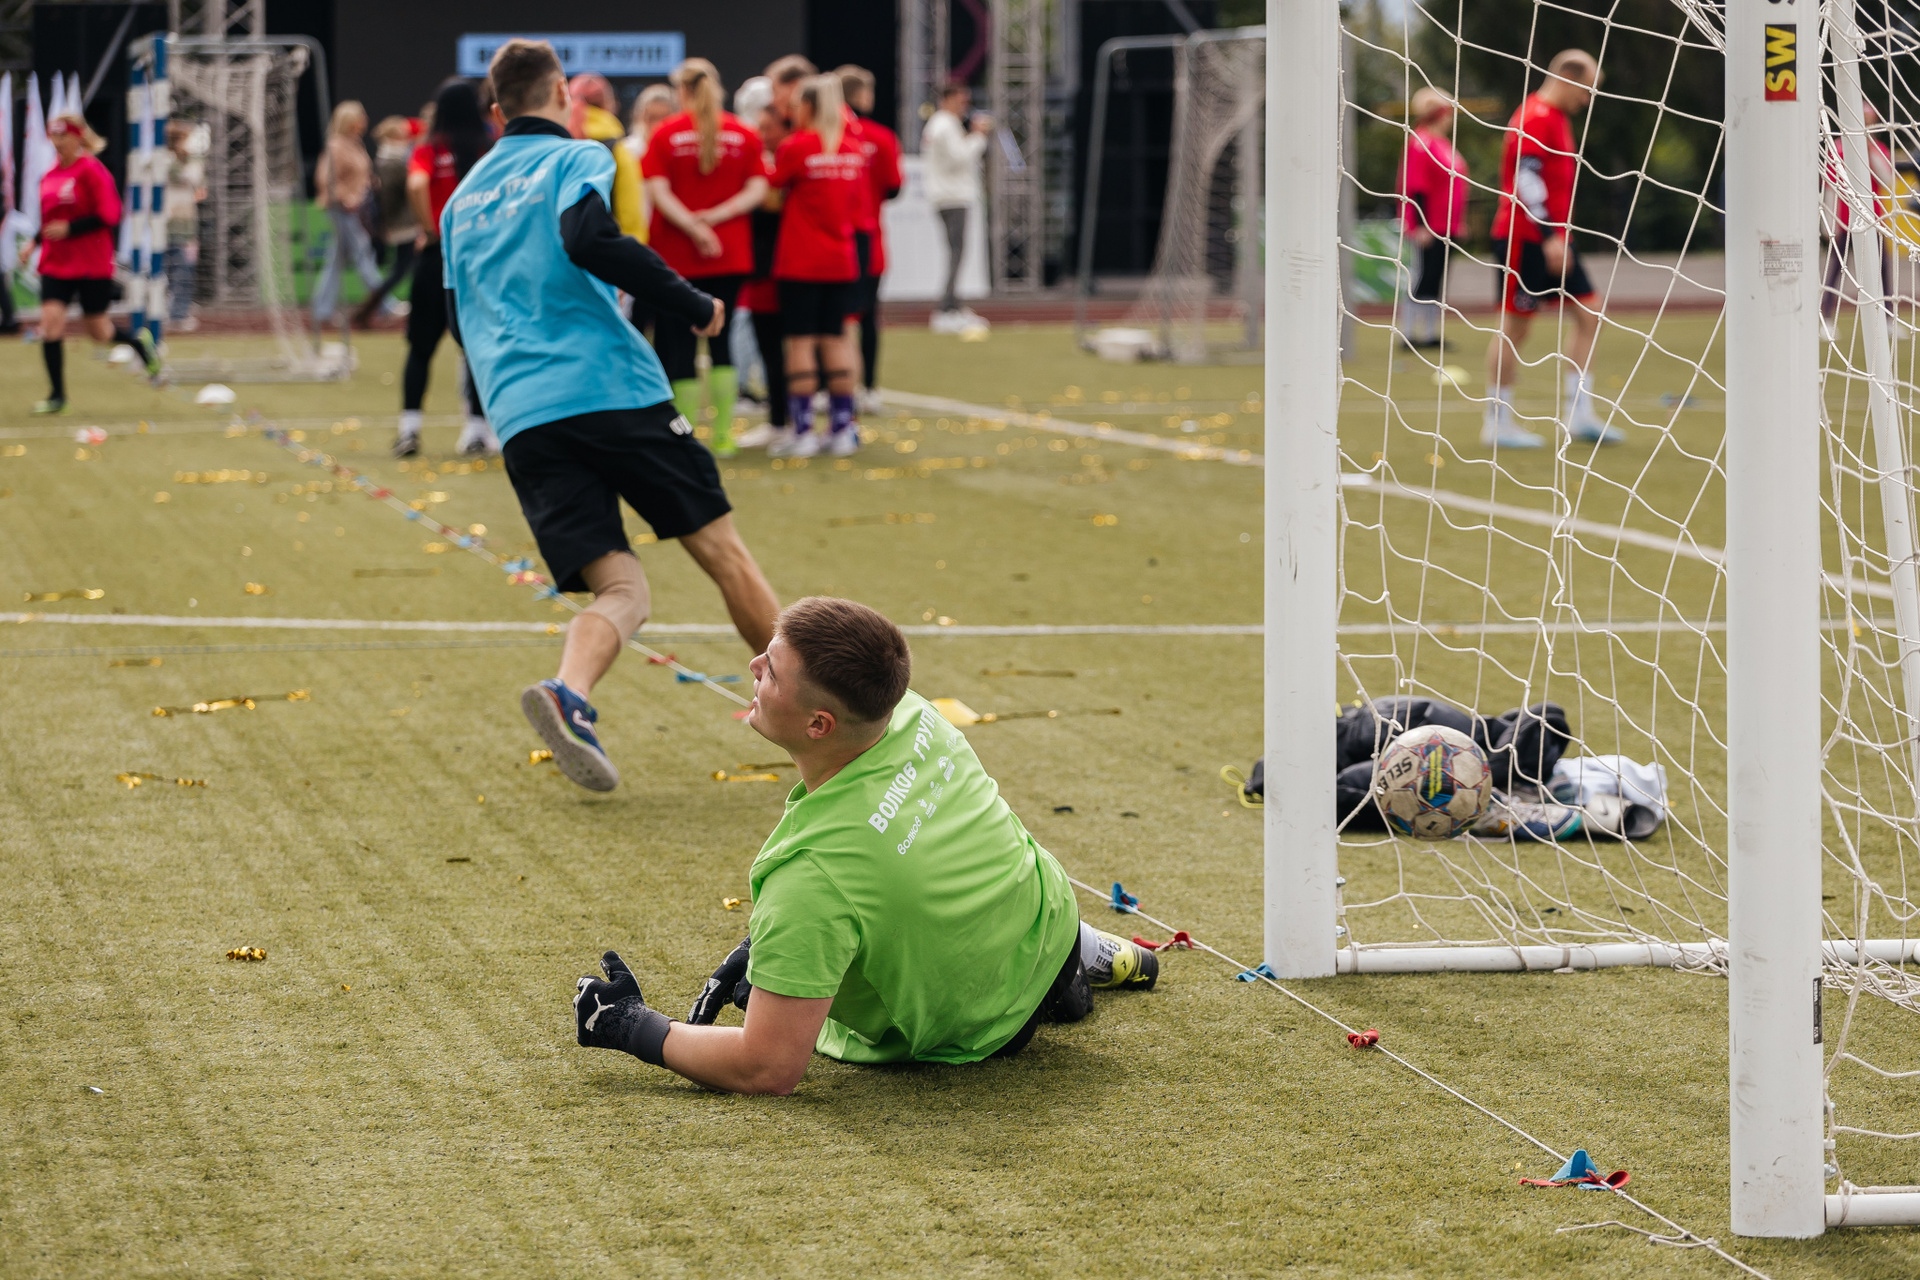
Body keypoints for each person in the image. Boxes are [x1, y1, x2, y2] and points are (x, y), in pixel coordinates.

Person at [571, 596, 1161, 1093]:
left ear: (819, 724)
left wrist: (633, 1026)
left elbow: (767, 1066)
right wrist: (773, 947)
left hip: (983, 1026)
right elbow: (901, 848)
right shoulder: (912, 714)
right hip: (1049, 916)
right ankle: (1082, 952)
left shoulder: (809, 876)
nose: (752, 666)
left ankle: (1056, 981)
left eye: (770, 671)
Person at [441, 38, 782, 792]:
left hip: (522, 415)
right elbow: (589, 237)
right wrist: (690, 303)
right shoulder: (575, 156)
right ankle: (823, 717)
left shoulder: (461, 201)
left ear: (496, 111)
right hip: (609, 390)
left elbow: (458, 320)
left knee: (623, 591)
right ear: (563, 93)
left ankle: (570, 693)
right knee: (723, 553)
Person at [1483, 50, 1616, 449]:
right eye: (1586, 90)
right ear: (1568, 77)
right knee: (1516, 327)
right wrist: (1549, 236)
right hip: (1526, 238)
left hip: (1556, 236)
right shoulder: (1536, 116)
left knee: (1590, 313)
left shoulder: (1556, 118)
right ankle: (1497, 422)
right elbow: (1526, 180)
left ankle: (1579, 414)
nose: (1586, 100)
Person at [642, 57, 770, 458]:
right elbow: (757, 190)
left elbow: (658, 191)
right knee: (722, 342)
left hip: (675, 254)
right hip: (728, 251)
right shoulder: (743, 134)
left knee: (677, 344)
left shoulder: (666, 134)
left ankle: (684, 439)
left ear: (682, 91)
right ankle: (723, 436)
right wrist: (714, 220)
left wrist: (693, 226)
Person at [21, 113, 161, 413]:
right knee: (50, 322)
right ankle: (57, 396)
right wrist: (34, 242)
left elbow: (110, 214)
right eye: (54, 136)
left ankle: (138, 344)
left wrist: (71, 229)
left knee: (98, 332)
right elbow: (50, 221)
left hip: (90, 263)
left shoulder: (92, 171)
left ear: (78, 137)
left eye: (63, 135)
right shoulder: (50, 174)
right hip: (56, 263)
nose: (57, 142)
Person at [394, 79, 496, 459]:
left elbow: (417, 184)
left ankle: (409, 429)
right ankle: (476, 431)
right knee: (476, 347)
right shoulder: (488, 148)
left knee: (420, 347)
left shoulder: (430, 148)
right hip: (478, 257)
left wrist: (430, 229)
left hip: (437, 257)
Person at [768, 74, 867, 460]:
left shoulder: (797, 146)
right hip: (841, 260)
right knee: (837, 340)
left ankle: (804, 431)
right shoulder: (853, 148)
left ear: (807, 107)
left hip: (800, 261)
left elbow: (772, 187)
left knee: (800, 343)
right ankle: (842, 430)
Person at [838, 65, 902, 413]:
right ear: (861, 94)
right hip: (869, 237)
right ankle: (869, 388)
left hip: (833, 239)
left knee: (832, 319)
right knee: (868, 316)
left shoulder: (825, 137)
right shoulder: (880, 137)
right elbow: (894, 187)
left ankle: (831, 387)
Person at [733, 79, 789, 451]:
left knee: (783, 346)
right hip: (769, 265)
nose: (762, 134)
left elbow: (770, 202)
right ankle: (787, 421)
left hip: (778, 267)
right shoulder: (774, 158)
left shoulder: (788, 159)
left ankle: (786, 422)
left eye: (768, 128)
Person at [1397, 87, 1467, 351]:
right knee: (1422, 277)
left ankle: (1429, 334)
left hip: (1447, 224)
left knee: (1436, 279)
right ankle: (1408, 333)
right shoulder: (1421, 141)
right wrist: (1421, 225)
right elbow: (1417, 187)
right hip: (1428, 225)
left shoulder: (1444, 144)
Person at [1821, 101, 1897, 339]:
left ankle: (1888, 320)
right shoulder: (1838, 149)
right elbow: (1830, 187)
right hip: (1845, 221)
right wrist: (1830, 221)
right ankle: (1825, 320)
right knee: (1835, 271)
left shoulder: (1878, 149)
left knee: (1882, 270)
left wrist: (1869, 148)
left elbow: (1887, 180)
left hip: (1873, 220)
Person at [311, 101, 387, 330]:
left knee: (336, 260)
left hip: (357, 208)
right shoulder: (336, 146)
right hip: (342, 209)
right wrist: (345, 199)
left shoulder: (355, 144)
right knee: (363, 253)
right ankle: (384, 303)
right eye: (361, 116)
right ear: (351, 121)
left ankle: (321, 310)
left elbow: (360, 175)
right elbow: (325, 178)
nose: (365, 120)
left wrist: (371, 185)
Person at [922, 81, 990, 334]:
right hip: (952, 196)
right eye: (962, 101)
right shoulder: (945, 125)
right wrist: (978, 136)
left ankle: (952, 305)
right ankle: (947, 309)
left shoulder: (940, 124)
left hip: (948, 195)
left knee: (956, 252)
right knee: (956, 252)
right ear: (948, 100)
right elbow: (958, 158)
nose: (965, 106)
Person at [350, 116, 421, 328]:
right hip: (403, 224)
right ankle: (367, 310)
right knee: (400, 270)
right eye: (402, 135)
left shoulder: (391, 159)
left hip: (401, 223)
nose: (406, 139)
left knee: (402, 269)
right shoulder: (391, 161)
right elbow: (395, 197)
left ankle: (368, 309)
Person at [622, 82, 678, 343]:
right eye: (651, 117)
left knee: (669, 327)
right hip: (637, 245)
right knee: (634, 324)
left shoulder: (678, 151)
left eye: (663, 117)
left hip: (670, 245)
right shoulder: (627, 152)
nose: (657, 125)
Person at [569, 73, 645, 239]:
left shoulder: (559, 145)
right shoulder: (618, 150)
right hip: (608, 247)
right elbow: (630, 215)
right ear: (608, 103)